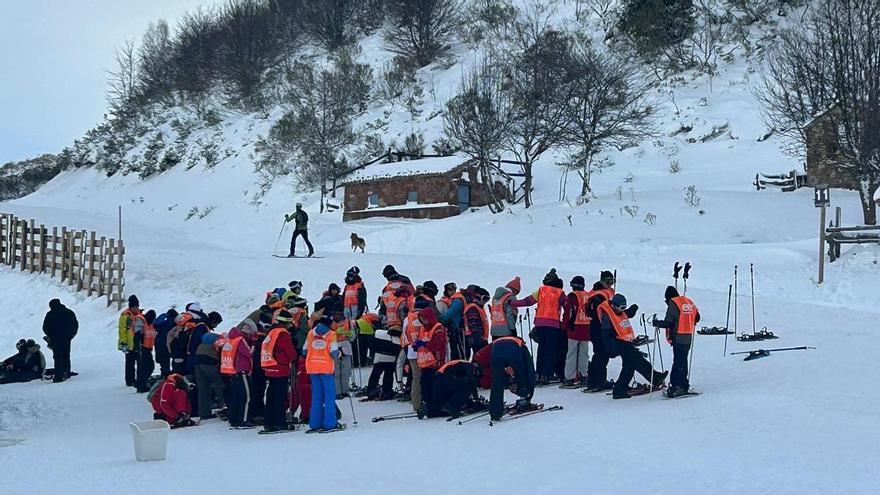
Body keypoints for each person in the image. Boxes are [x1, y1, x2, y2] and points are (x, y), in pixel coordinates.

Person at [599, 294, 667, 399]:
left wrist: (631, 310)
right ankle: (655, 378)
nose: (622, 310)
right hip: (616, 343)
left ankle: (619, 390)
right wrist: (610, 349)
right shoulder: (607, 315)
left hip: (624, 341)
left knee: (629, 365)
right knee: (636, 358)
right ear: (613, 305)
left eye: (624, 308)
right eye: (621, 308)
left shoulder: (617, 311)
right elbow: (605, 333)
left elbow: (624, 315)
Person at [511, 269, 567, 385]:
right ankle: (547, 375)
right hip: (554, 324)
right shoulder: (560, 292)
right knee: (550, 350)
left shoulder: (541, 290)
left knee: (542, 349)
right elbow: (567, 305)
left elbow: (527, 301)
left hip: (540, 323)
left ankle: (539, 374)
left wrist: (512, 303)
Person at [652, 286, 700, 398]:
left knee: (678, 361)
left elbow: (669, 322)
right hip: (687, 336)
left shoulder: (673, 303)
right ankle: (683, 385)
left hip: (678, 337)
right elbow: (697, 317)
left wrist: (657, 323)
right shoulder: (688, 301)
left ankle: (676, 386)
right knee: (683, 360)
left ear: (668, 298)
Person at [259, 311, 297, 433]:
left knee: (270, 396)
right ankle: (280, 422)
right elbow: (291, 353)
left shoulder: (271, 332)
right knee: (280, 397)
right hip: (280, 368)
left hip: (269, 367)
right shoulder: (283, 334)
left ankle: (269, 422)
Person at [304, 319, 342, 433]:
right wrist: (340, 353)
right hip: (325, 368)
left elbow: (304, 350)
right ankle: (330, 423)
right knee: (329, 396)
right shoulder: (331, 334)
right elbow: (334, 352)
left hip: (312, 367)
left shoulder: (311, 333)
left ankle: (315, 423)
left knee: (316, 396)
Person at [488, 336, 536, 421]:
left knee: (497, 383)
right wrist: (529, 392)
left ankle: (495, 413)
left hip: (495, 351)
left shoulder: (500, 341)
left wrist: (510, 381)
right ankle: (524, 399)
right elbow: (530, 369)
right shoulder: (522, 345)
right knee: (522, 375)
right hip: (513, 352)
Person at [221, 319, 257, 428]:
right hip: (242, 372)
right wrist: (254, 343)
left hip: (232, 372)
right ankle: (243, 420)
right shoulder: (240, 340)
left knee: (236, 397)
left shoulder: (231, 339)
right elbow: (249, 353)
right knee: (246, 397)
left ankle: (234, 420)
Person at [584, 272, 617, 392]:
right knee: (602, 354)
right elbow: (607, 312)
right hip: (600, 326)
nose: (610, 283)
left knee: (598, 353)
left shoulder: (594, 292)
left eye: (612, 281)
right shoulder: (601, 294)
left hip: (595, 326)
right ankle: (599, 381)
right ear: (602, 280)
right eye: (608, 281)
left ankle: (592, 381)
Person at [561, 276, 591, 388]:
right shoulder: (588, 295)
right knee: (584, 354)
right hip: (586, 328)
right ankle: (584, 376)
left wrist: (564, 326)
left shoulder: (572, 296)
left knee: (571, 354)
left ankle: (569, 378)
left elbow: (568, 313)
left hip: (574, 328)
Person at [42, 298, 78, 383]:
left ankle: (59, 376)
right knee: (66, 355)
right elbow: (75, 324)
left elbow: (45, 327)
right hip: (67, 338)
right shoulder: (69, 312)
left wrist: (50, 335)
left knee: (57, 357)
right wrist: (72, 334)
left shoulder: (50, 314)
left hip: (55, 339)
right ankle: (67, 372)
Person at [194, 333, 227, 420]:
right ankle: (225, 405)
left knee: (203, 389)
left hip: (198, 361)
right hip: (209, 362)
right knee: (218, 384)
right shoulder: (220, 340)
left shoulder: (204, 341)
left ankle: (204, 413)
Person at [343, 267, 368, 368]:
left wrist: (359, 313)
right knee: (347, 334)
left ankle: (358, 359)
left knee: (355, 335)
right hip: (346, 311)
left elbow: (362, 300)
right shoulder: (346, 286)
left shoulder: (360, 286)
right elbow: (343, 298)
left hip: (355, 311)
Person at [118, 295, 141, 387]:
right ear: (130, 307)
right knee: (130, 363)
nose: (136, 308)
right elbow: (122, 330)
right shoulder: (126, 316)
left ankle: (137, 379)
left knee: (139, 361)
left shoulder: (139, 315)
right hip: (129, 343)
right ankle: (129, 380)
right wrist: (124, 342)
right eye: (134, 307)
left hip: (137, 341)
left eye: (137, 307)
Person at [441, 284, 467, 360]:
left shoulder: (457, 301)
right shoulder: (458, 299)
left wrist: (441, 321)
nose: (452, 291)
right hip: (460, 330)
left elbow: (448, 316)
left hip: (456, 330)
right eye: (450, 290)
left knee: (457, 354)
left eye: (453, 289)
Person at [331, 311, 354, 398]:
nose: (338, 316)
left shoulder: (347, 322)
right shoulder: (330, 323)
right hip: (334, 346)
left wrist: (350, 334)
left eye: (339, 314)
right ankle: (337, 392)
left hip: (346, 346)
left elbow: (353, 335)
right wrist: (336, 333)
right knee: (336, 371)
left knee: (346, 371)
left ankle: (345, 390)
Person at [463, 286, 490, 358]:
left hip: (480, 338)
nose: (485, 302)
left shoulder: (479, 307)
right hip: (475, 338)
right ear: (479, 297)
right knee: (481, 357)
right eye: (485, 299)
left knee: (481, 357)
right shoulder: (473, 308)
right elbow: (473, 323)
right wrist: (478, 338)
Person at [134, 309, 157, 393]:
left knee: (148, 367)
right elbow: (137, 333)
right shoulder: (141, 320)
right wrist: (138, 346)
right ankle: (141, 385)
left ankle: (141, 384)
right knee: (145, 367)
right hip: (141, 348)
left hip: (147, 349)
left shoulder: (151, 324)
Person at [153, 308, 178, 377]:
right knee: (175, 364)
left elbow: (155, 324)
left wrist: (164, 315)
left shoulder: (163, 322)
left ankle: (164, 379)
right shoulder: (175, 322)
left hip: (160, 345)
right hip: (171, 345)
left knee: (164, 366)